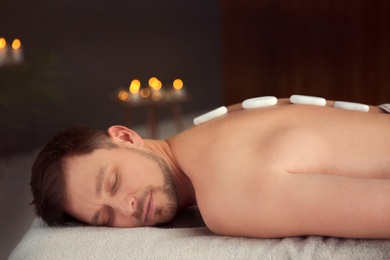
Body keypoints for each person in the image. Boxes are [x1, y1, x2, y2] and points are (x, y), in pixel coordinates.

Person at [30, 97, 390, 239]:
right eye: (106, 219)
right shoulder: (217, 123)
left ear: (125, 136)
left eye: (114, 182)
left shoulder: (226, 198)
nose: (127, 207)